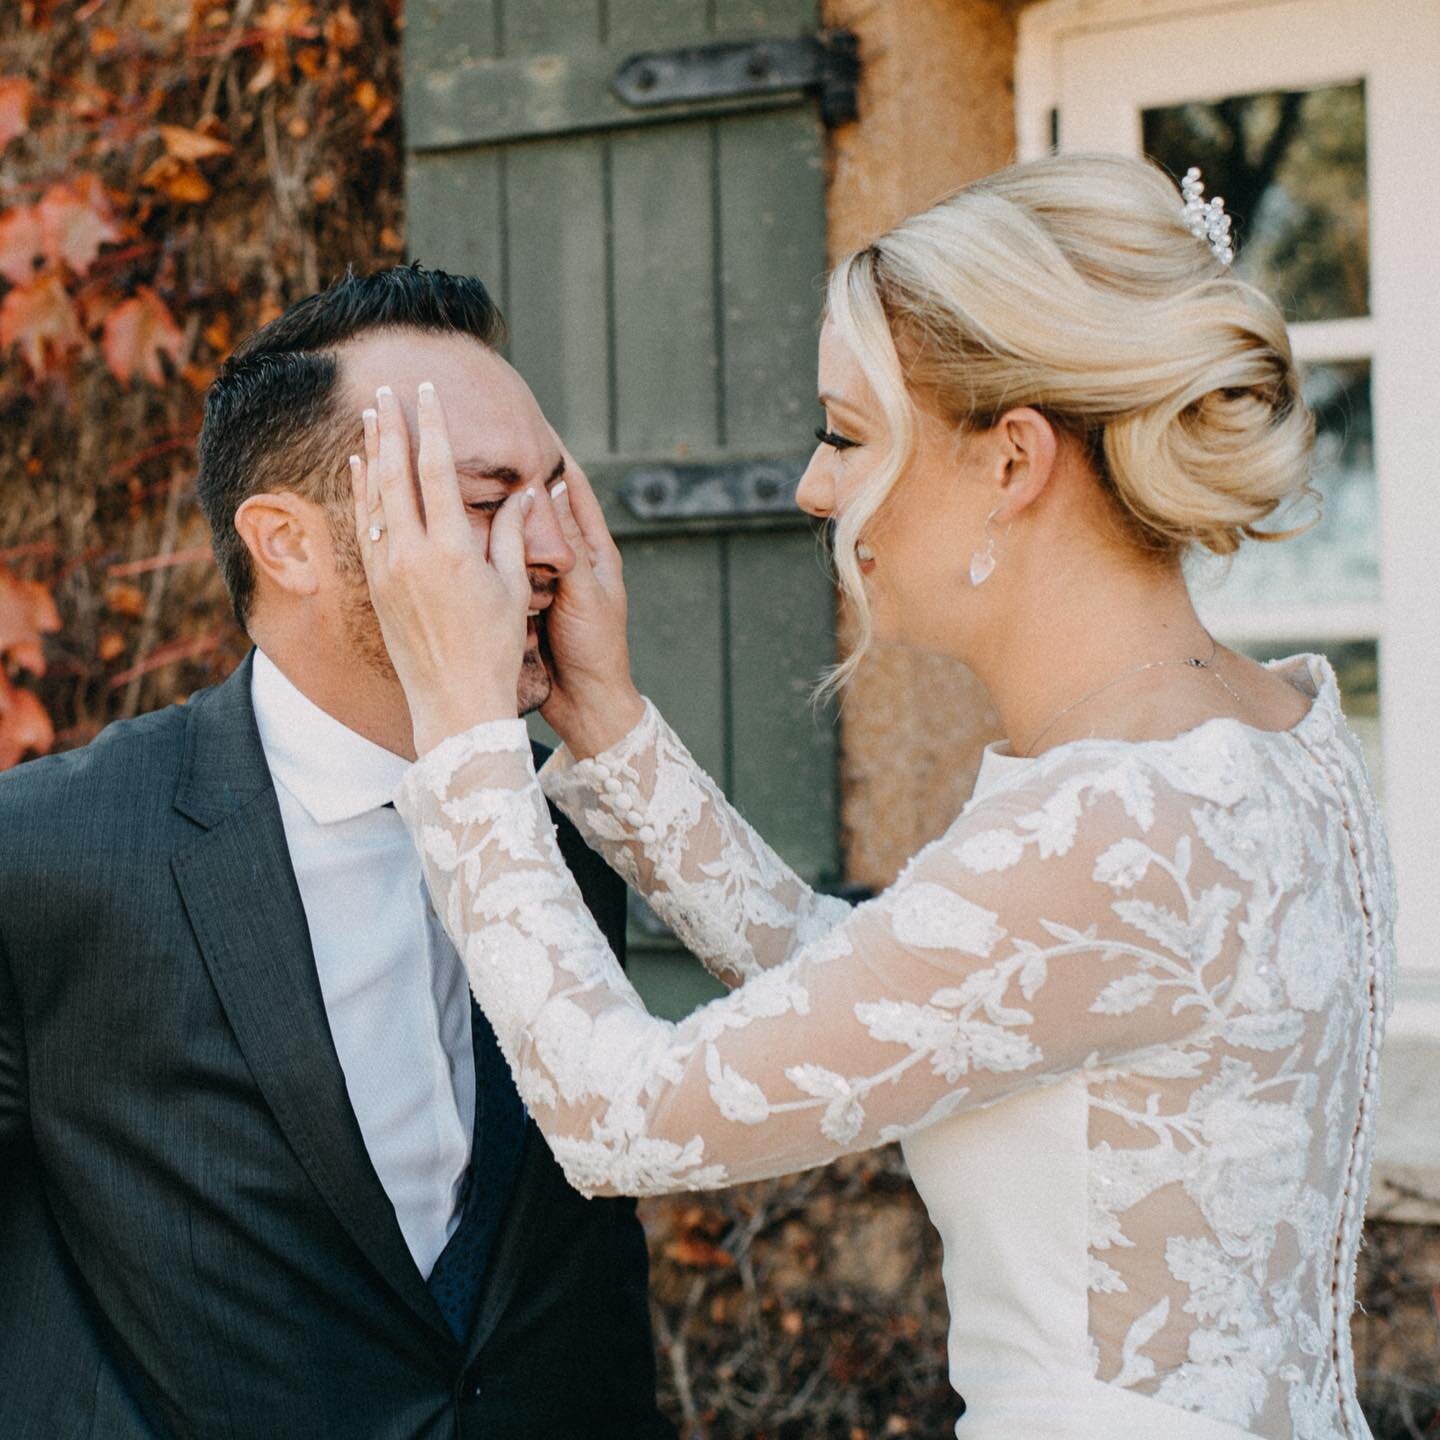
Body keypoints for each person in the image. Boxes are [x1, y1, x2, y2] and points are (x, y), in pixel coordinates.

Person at [354, 155, 1397, 1440]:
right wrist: (611, 729)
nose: (811, 487)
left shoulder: (1114, 821)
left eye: (849, 435)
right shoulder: (1275, 739)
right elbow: (906, 993)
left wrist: (463, 738)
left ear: (1013, 461)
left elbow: (628, 1118)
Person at [0, 267, 673, 1440]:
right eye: (479, 500)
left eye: (556, 495)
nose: (552, 547)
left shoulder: (575, 828)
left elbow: (581, 1270)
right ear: (289, 544)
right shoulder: (50, 853)